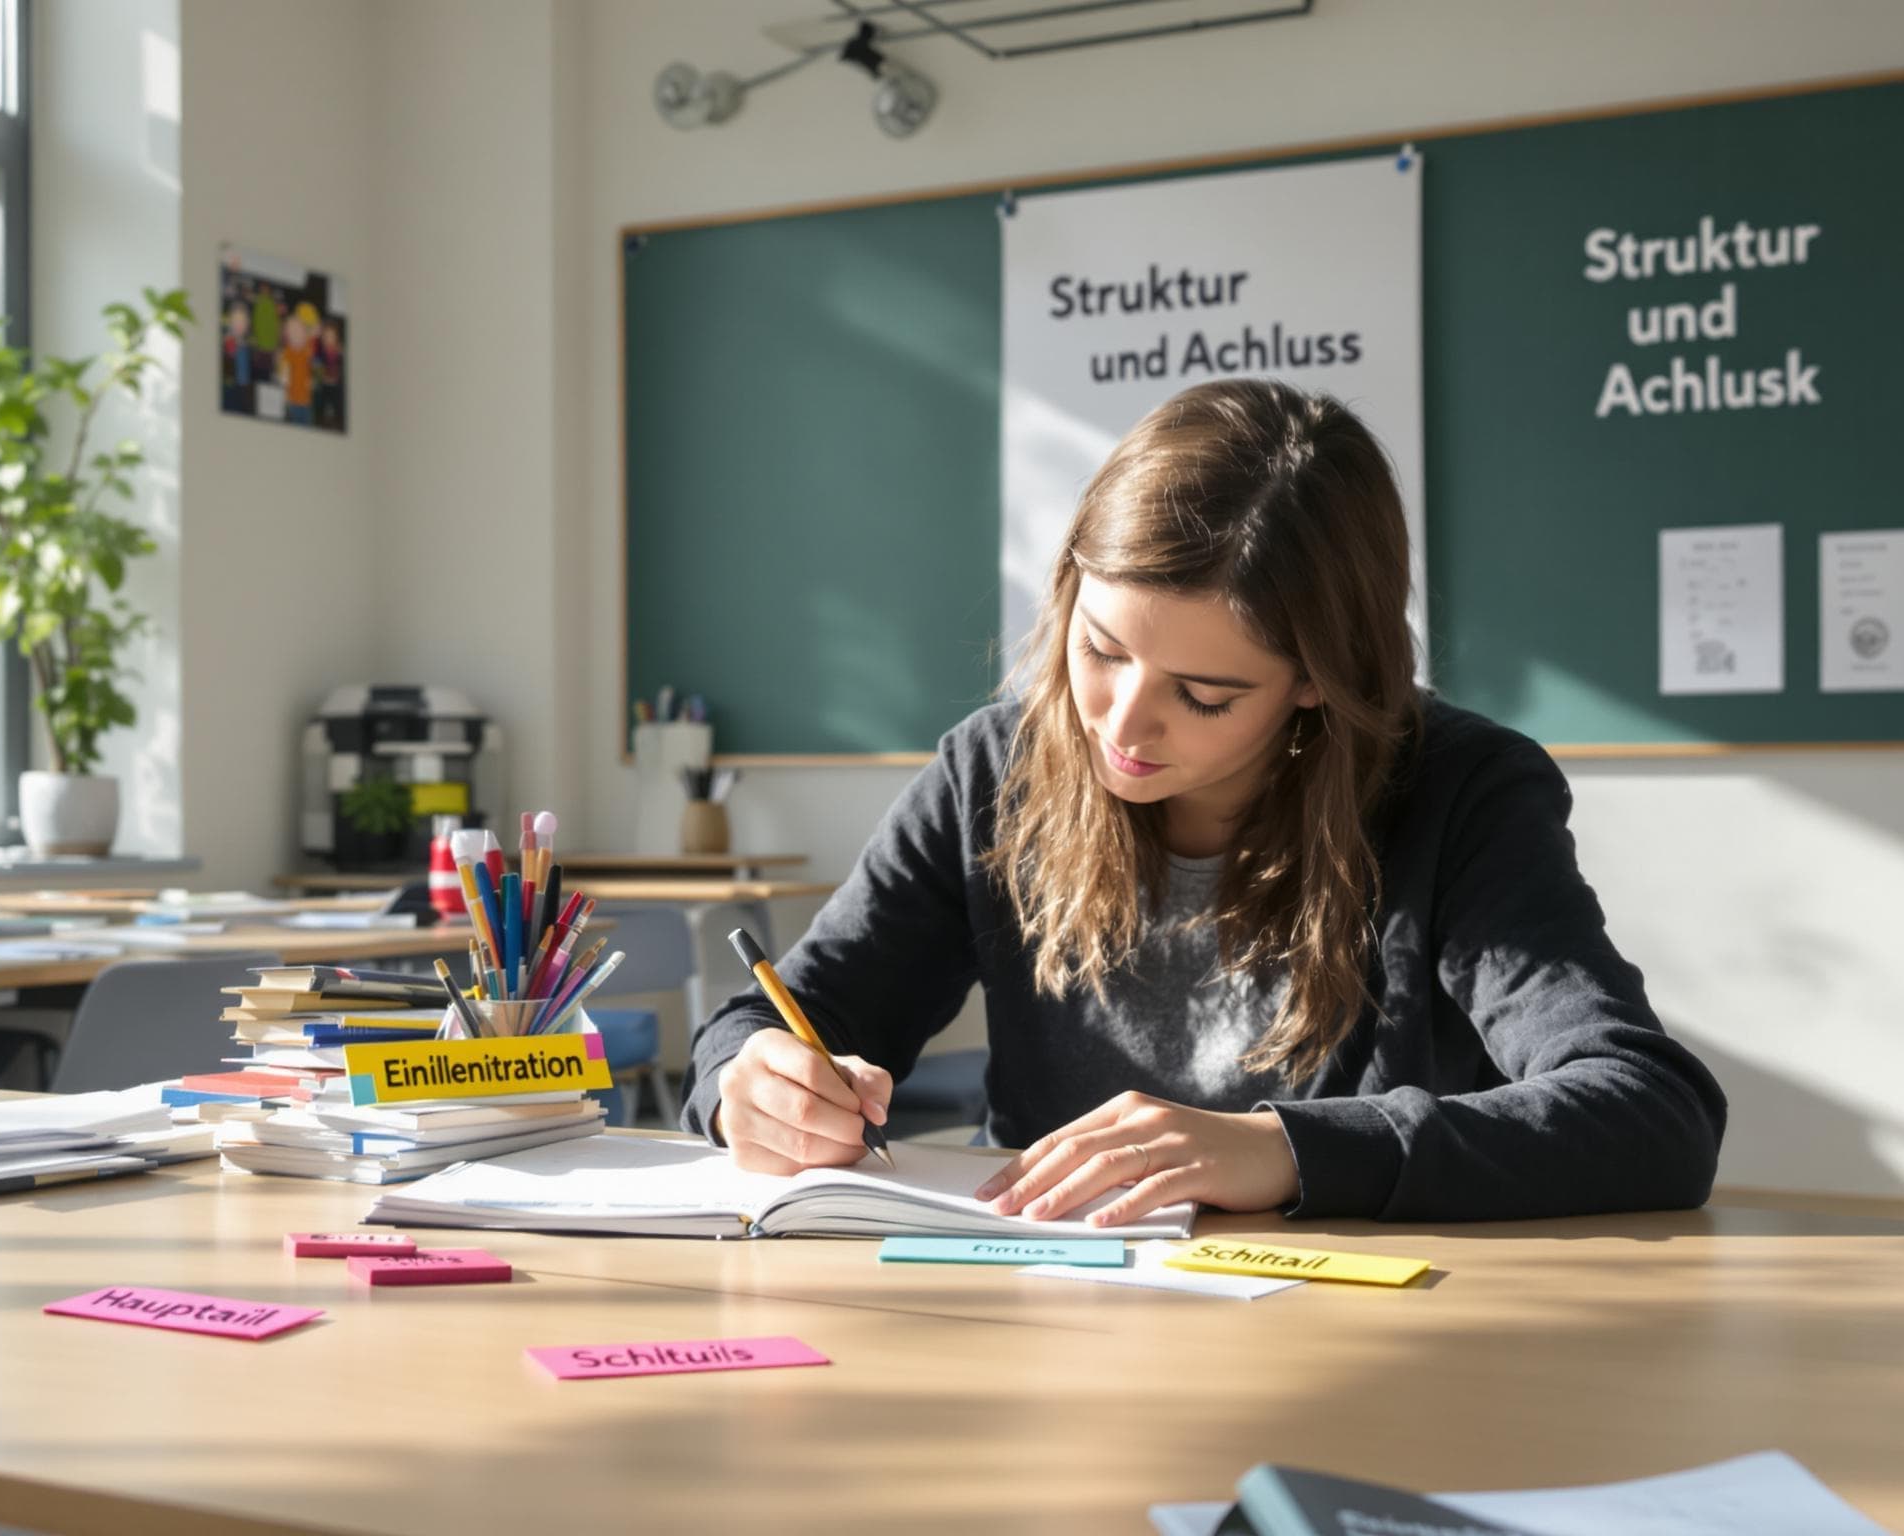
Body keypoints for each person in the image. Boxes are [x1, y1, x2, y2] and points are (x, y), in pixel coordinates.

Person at [685, 380, 1726, 1224]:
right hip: (1044, 1314)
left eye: (1205, 695)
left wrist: (1281, 1151)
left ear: (1318, 678)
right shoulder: (991, 772)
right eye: (1099, 650)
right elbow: (780, 1020)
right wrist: (754, 1079)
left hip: (1357, 1344)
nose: (1122, 724)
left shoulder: (1459, 794)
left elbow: (1650, 1112)